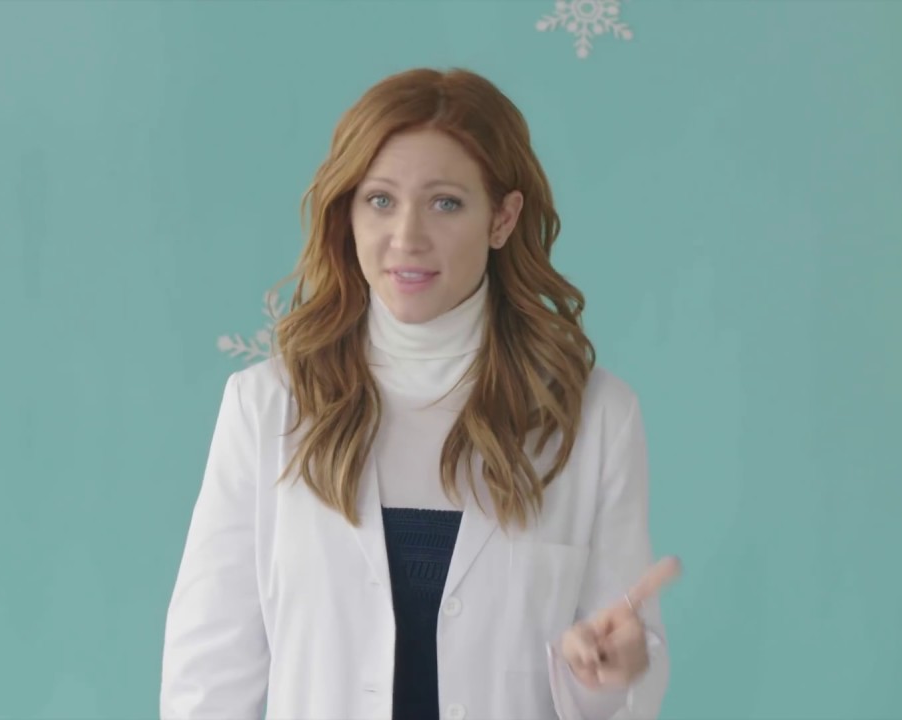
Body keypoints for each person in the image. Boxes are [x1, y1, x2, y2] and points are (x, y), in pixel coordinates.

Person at [160, 67, 680, 720]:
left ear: (502, 218)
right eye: (380, 200)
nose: (406, 236)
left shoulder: (594, 417)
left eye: (446, 203)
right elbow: (207, 672)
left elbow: (624, 671)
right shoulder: (267, 407)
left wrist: (611, 673)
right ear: (348, 214)